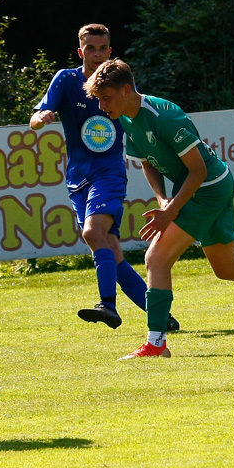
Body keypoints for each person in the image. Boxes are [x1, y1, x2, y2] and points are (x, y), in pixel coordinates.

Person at [83, 59, 234, 360]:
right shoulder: (125, 117)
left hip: (209, 189)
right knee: (228, 268)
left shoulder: (164, 117)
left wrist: (172, 210)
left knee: (155, 258)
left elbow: (198, 171)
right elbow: (148, 162)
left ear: (125, 90)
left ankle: (156, 343)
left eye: (105, 98)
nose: (102, 105)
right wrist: (162, 200)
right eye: (98, 99)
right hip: (205, 187)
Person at [31, 24, 177, 331]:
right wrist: (41, 118)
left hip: (109, 173)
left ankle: (107, 305)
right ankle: (160, 314)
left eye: (102, 49)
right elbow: (37, 115)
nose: (97, 54)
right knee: (110, 247)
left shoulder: (119, 84)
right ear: (80, 51)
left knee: (93, 234)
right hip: (77, 177)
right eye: (91, 48)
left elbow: (141, 116)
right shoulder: (66, 80)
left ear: (110, 51)